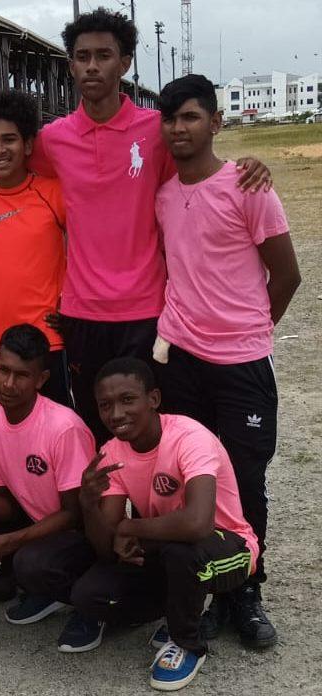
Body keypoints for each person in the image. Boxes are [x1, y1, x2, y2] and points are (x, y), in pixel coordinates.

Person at [0, 8, 270, 446]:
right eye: (82, 56)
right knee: (96, 429)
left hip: (147, 311)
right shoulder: (56, 139)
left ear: (125, 62)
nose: (92, 65)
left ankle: (150, 512)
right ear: (71, 64)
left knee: (150, 427)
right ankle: (105, 515)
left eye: (104, 55)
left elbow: (199, 170)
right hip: (81, 315)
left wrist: (247, 167)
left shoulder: (154, 131)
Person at [153, 74, 301, 648]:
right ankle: (210, 593)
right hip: (181, 360)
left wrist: (253, 331)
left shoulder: (248, 186)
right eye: (170, 119)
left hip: (241, 364)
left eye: (191, 117)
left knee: (245, 482)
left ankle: (248, 592)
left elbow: (286, 275)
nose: (179, 128)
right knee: (195, 482)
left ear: (215, 122)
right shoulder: (165, 194)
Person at [71, 358, 260, 691]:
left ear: (153, 399)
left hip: (229, 547)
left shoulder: (190, 437)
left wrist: (129, 529)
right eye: (105, 405)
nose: (116, 414)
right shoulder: (112, 452)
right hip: (168, 546)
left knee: (181, 551)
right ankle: (173, 611)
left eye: (127, 400)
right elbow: (107, 546)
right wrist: (89, 506)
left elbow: (199, 524)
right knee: (89, 594)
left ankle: (187, 642)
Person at [0, 324, 95, 648]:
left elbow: (76, 516)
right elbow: (4, 501)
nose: (9, 384)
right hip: (39, 522)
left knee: (30, 564)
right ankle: (49, 589)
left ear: (42, 379)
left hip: (87, 534)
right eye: (3, 370)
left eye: (22, 375)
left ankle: (89, 606)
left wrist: (5, 544)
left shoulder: (64, 427)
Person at [0, 91, 69, 418]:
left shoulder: (54, 192)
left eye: (8, 140)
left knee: (54, 439)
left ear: (27, 145)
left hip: (46, 342)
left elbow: (88, 249)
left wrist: (71, 300)